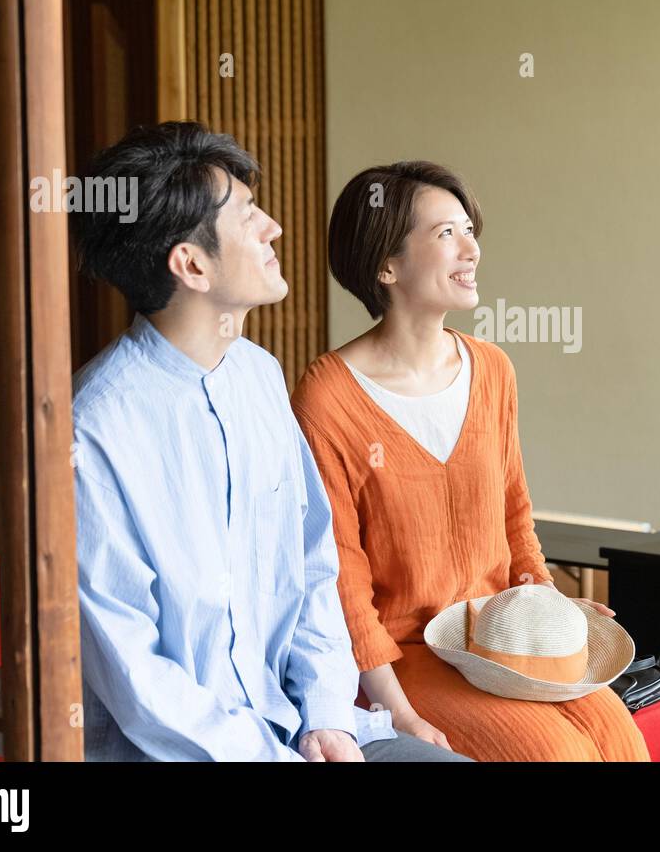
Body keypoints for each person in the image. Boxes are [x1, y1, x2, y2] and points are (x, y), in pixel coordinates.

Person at [69, 122, 469, 762]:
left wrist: (327, 716)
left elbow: (314, 568)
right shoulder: (93, 431)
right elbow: (137, 680)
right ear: (191, 264)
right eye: (249, 216)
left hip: (298, 726)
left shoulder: (258, 375)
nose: (273, 229)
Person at [290, 161, 650, 761]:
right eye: (445, 234)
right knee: (556, 756)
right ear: (386, 266)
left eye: (469, 230)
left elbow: (516, 517)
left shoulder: (493, 370)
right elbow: (338, 580)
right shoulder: (327, 397)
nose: (472, 249)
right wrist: (395, 710)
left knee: (618, 737)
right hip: (403, 659)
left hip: (499, 638)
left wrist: (545, 609)